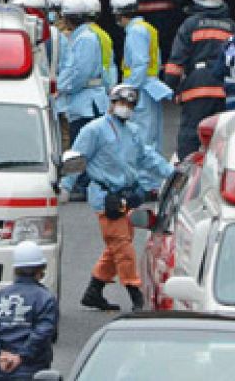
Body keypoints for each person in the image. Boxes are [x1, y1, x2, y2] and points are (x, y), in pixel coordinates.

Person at [70, 84, 174, 311]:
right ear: (112, 102)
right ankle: (135, 293)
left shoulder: (133, 132)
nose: (125, 108)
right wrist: (64, 186)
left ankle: (94, 291)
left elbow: (147, 157)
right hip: (105, 196)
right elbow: (76, 159)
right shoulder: (94, 130)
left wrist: (172, 174)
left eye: (129, 104)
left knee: (116, 245)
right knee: (122, 246)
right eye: (122, 103)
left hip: (127, 194)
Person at [165, 0, 235, 157]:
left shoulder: (190, 25)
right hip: (223, 89)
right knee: (221, 137)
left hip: (196, 89)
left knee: (191, 136)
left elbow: (176, 62)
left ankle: (186, 176)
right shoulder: (232, 27)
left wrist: (170, 88)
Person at [0, 241, 60, 381]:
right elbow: (43, 333)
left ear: (15, 269)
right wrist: (21, 356)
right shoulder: (45, 298)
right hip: (33, 370)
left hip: (2, 370)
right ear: (40, 270)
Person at [55, 0, 108, 201]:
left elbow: (81, 73)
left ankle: (81, 184)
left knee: (82, 144)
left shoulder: (84, 38)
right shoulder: (81, 36)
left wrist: (64, 87)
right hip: (83, 100)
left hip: (86, 100)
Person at [110, 0, 172, 152]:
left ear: (119, 14)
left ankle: (143, 176)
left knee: (141, 135)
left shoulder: (135, 32)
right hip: (148, 87)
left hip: (140, 89)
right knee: (150, 134)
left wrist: (129, 91)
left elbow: (139, 64)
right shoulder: (146, 28)